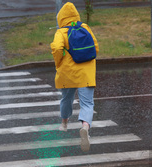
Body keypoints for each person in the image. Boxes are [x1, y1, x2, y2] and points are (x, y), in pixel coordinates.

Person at [50, 2, 99, 152]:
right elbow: (95, 47)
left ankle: (64, 124)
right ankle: (85, 127)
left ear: (61, 18)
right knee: (87, 104)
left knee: (66, 99)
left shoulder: (61, 32)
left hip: (68, 73)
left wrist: (58, 63)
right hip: (86, 73)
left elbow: (57, 48)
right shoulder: (85, 28)